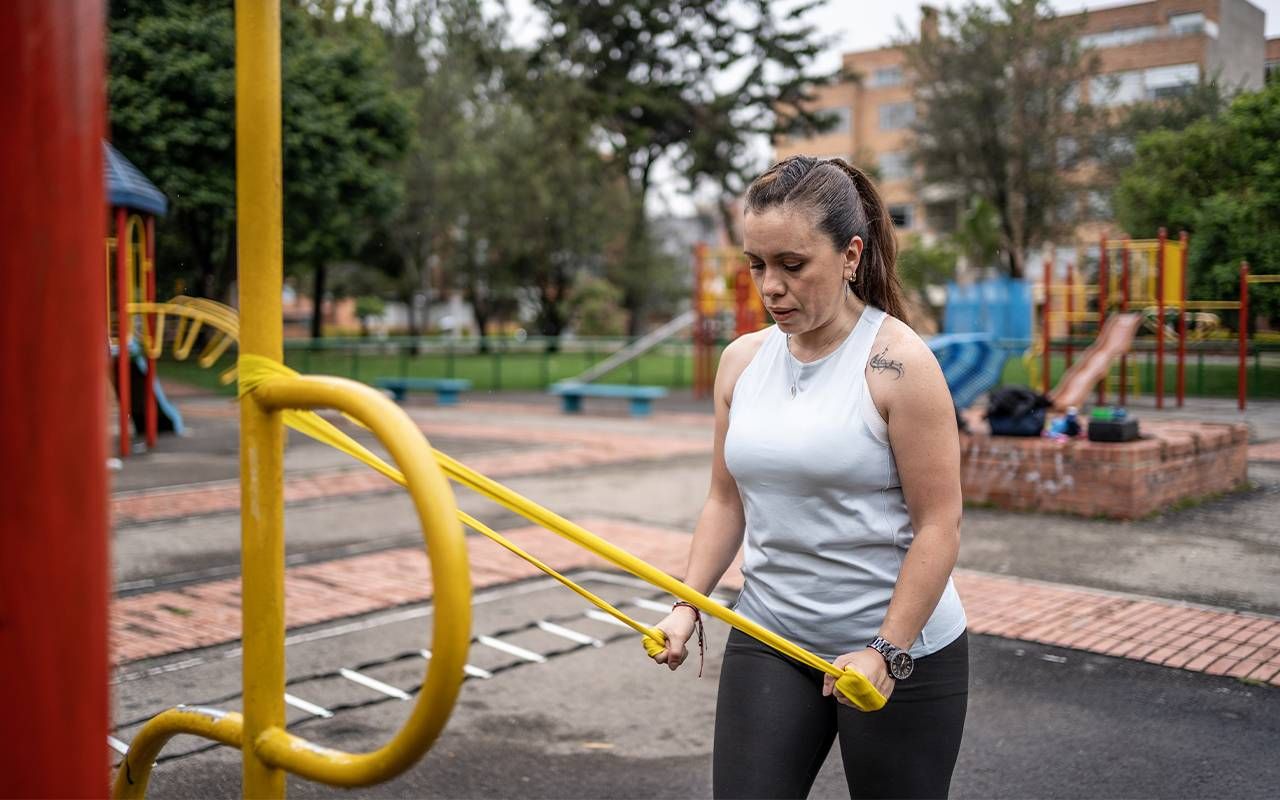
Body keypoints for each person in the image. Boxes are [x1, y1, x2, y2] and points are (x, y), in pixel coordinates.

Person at [649, 155, 968, 800]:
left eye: (793, 265)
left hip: (896, 646)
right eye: (757, 265)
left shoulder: (899, 365)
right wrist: (688, 602)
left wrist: (885, 650)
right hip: (772, 633)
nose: (770, 287)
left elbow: (941, 527)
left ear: (851, 254)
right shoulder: (741, 362)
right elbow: (724, 501)